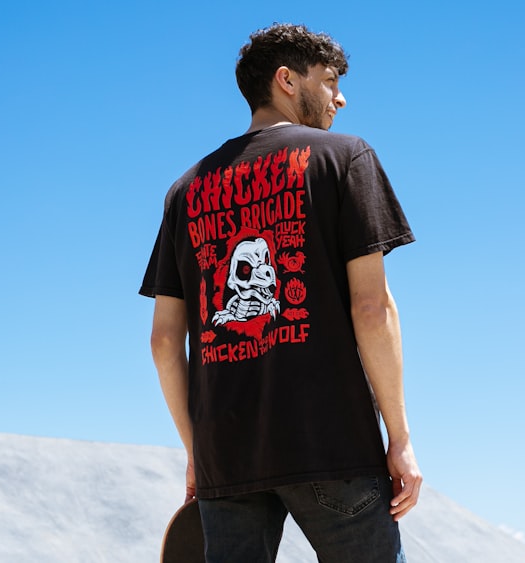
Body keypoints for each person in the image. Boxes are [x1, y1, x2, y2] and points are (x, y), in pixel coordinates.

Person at [140, 23, 421, 563]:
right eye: (331, 80)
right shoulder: (345, 157)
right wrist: (400, 438)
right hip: (334, 444)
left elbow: (162, 341)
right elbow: (371, 307)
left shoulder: (184, 190)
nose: (341, 96)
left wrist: (200, 453)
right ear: (287, 80)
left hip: (229, 457)